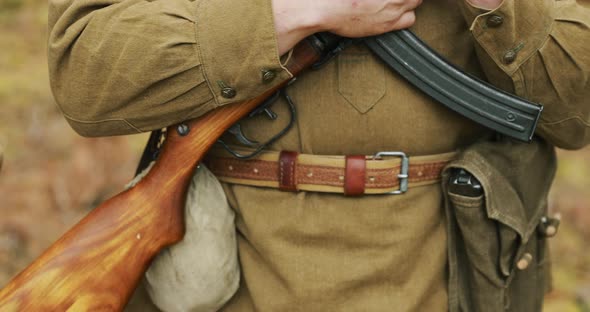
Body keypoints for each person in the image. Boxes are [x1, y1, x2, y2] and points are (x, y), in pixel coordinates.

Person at [47, 0, 590, 311]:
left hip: (454, 273)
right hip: (238, 274)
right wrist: (297, 13)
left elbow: (577, 112)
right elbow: (86, 73)